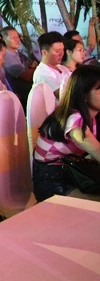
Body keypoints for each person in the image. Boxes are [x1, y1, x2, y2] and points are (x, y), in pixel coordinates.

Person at [32, 66, 100, 202]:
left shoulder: (91, 117)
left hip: (73, 173)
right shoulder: (74, 120)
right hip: (52, 181)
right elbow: (97, 152)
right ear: (84, 95)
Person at [1, 27, 37, 106]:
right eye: (13, 37)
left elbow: (33, 66)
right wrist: (35, 69)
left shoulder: (19, 54)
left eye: (18, 37)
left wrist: (33, 68)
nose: (17, 40)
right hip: (22, 95)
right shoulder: (6, 56)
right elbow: (27, 76)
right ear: (4, 39)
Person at [32, 31, 70, 97]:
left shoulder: (62, 68)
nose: (61, 54)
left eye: (62, 50)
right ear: (44, 52)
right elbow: (61, 95)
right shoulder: (42, 74)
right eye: (57, 51)